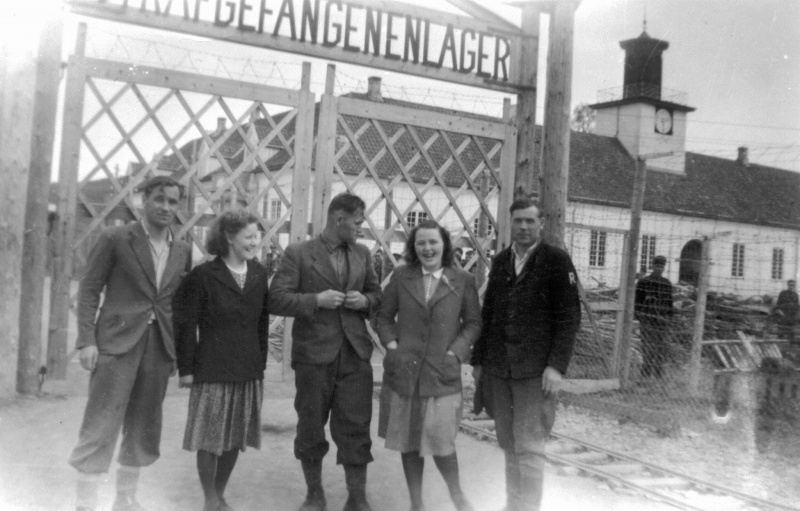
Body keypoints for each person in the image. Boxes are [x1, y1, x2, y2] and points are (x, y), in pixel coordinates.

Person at [69, 176, 192, 511]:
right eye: (159, 199)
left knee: (143, 425)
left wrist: (174, 353)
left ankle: (125, 499)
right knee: (101, 422)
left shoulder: (182, 249)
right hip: (116, 345)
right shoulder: (116, 238)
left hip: (158, 348)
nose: (166, 207)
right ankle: (85, 504)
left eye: (173, 201)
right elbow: (89, 289)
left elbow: (177, 304)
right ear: (143, 201)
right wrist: (87, 341)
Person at [268, 193, 382, 511]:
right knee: (310, 427)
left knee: (356, 427)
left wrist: (365, 301)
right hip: (313, 356)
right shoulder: (299, 253)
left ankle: (356, 498)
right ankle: (315, 495)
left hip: (355, 354)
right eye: (357, 222)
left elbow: (377, 294)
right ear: (339, 219)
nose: (361, 228)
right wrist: (315, 300)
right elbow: (275, 298)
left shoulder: (362, 254)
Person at [470, 198, 581, 511]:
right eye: (518, 220)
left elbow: (569, 317)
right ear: (510, 223)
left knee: (530, 446)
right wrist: (479, 360)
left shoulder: (556, 260)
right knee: (508, 443)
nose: (523, 227)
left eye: (530, 221)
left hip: (534, 372)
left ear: (541, 223)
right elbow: (489, 312)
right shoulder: (502, 261)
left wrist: (556, 366)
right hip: (499, 369)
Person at [376, 220, 481, 511]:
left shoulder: (463, 280)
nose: (427, 248)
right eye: (421, 243)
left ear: (444, 245)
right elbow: (383, 318)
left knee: (441, 440)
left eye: (433, 242)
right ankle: (416, 503)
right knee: (410, 442)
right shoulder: (401, 276)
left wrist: (456, 353)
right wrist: (392, 345)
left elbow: (473, 323)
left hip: (441, 373)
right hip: (406, 372)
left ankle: (458, 497)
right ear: (413, 247)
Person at [172, 210, 271, 511]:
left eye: (256, 236)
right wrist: (186, 369)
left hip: (247, 369)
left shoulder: (259, 273)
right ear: (228, 237)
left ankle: (219, 493)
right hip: (212, 367)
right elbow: (186, 323)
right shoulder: (204, 275)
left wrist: (260, 364)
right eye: (248, 237)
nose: (254, 242)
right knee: (210, 437)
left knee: (234, 437)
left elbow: (262, 323)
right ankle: (209, 499)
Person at [634, 255, 675, 378]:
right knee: (647, 347)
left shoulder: (667, 284)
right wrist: (641, 317)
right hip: (647, 321)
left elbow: (669, 304)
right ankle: (646, 373)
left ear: (664, 268)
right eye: (657, 266)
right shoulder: (643, 282)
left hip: (662, 322)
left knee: (661, 348)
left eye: (661, 267)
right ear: (652, 266)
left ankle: (658, 373)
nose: (659, 269)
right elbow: (637, 303)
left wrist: (669, 319)